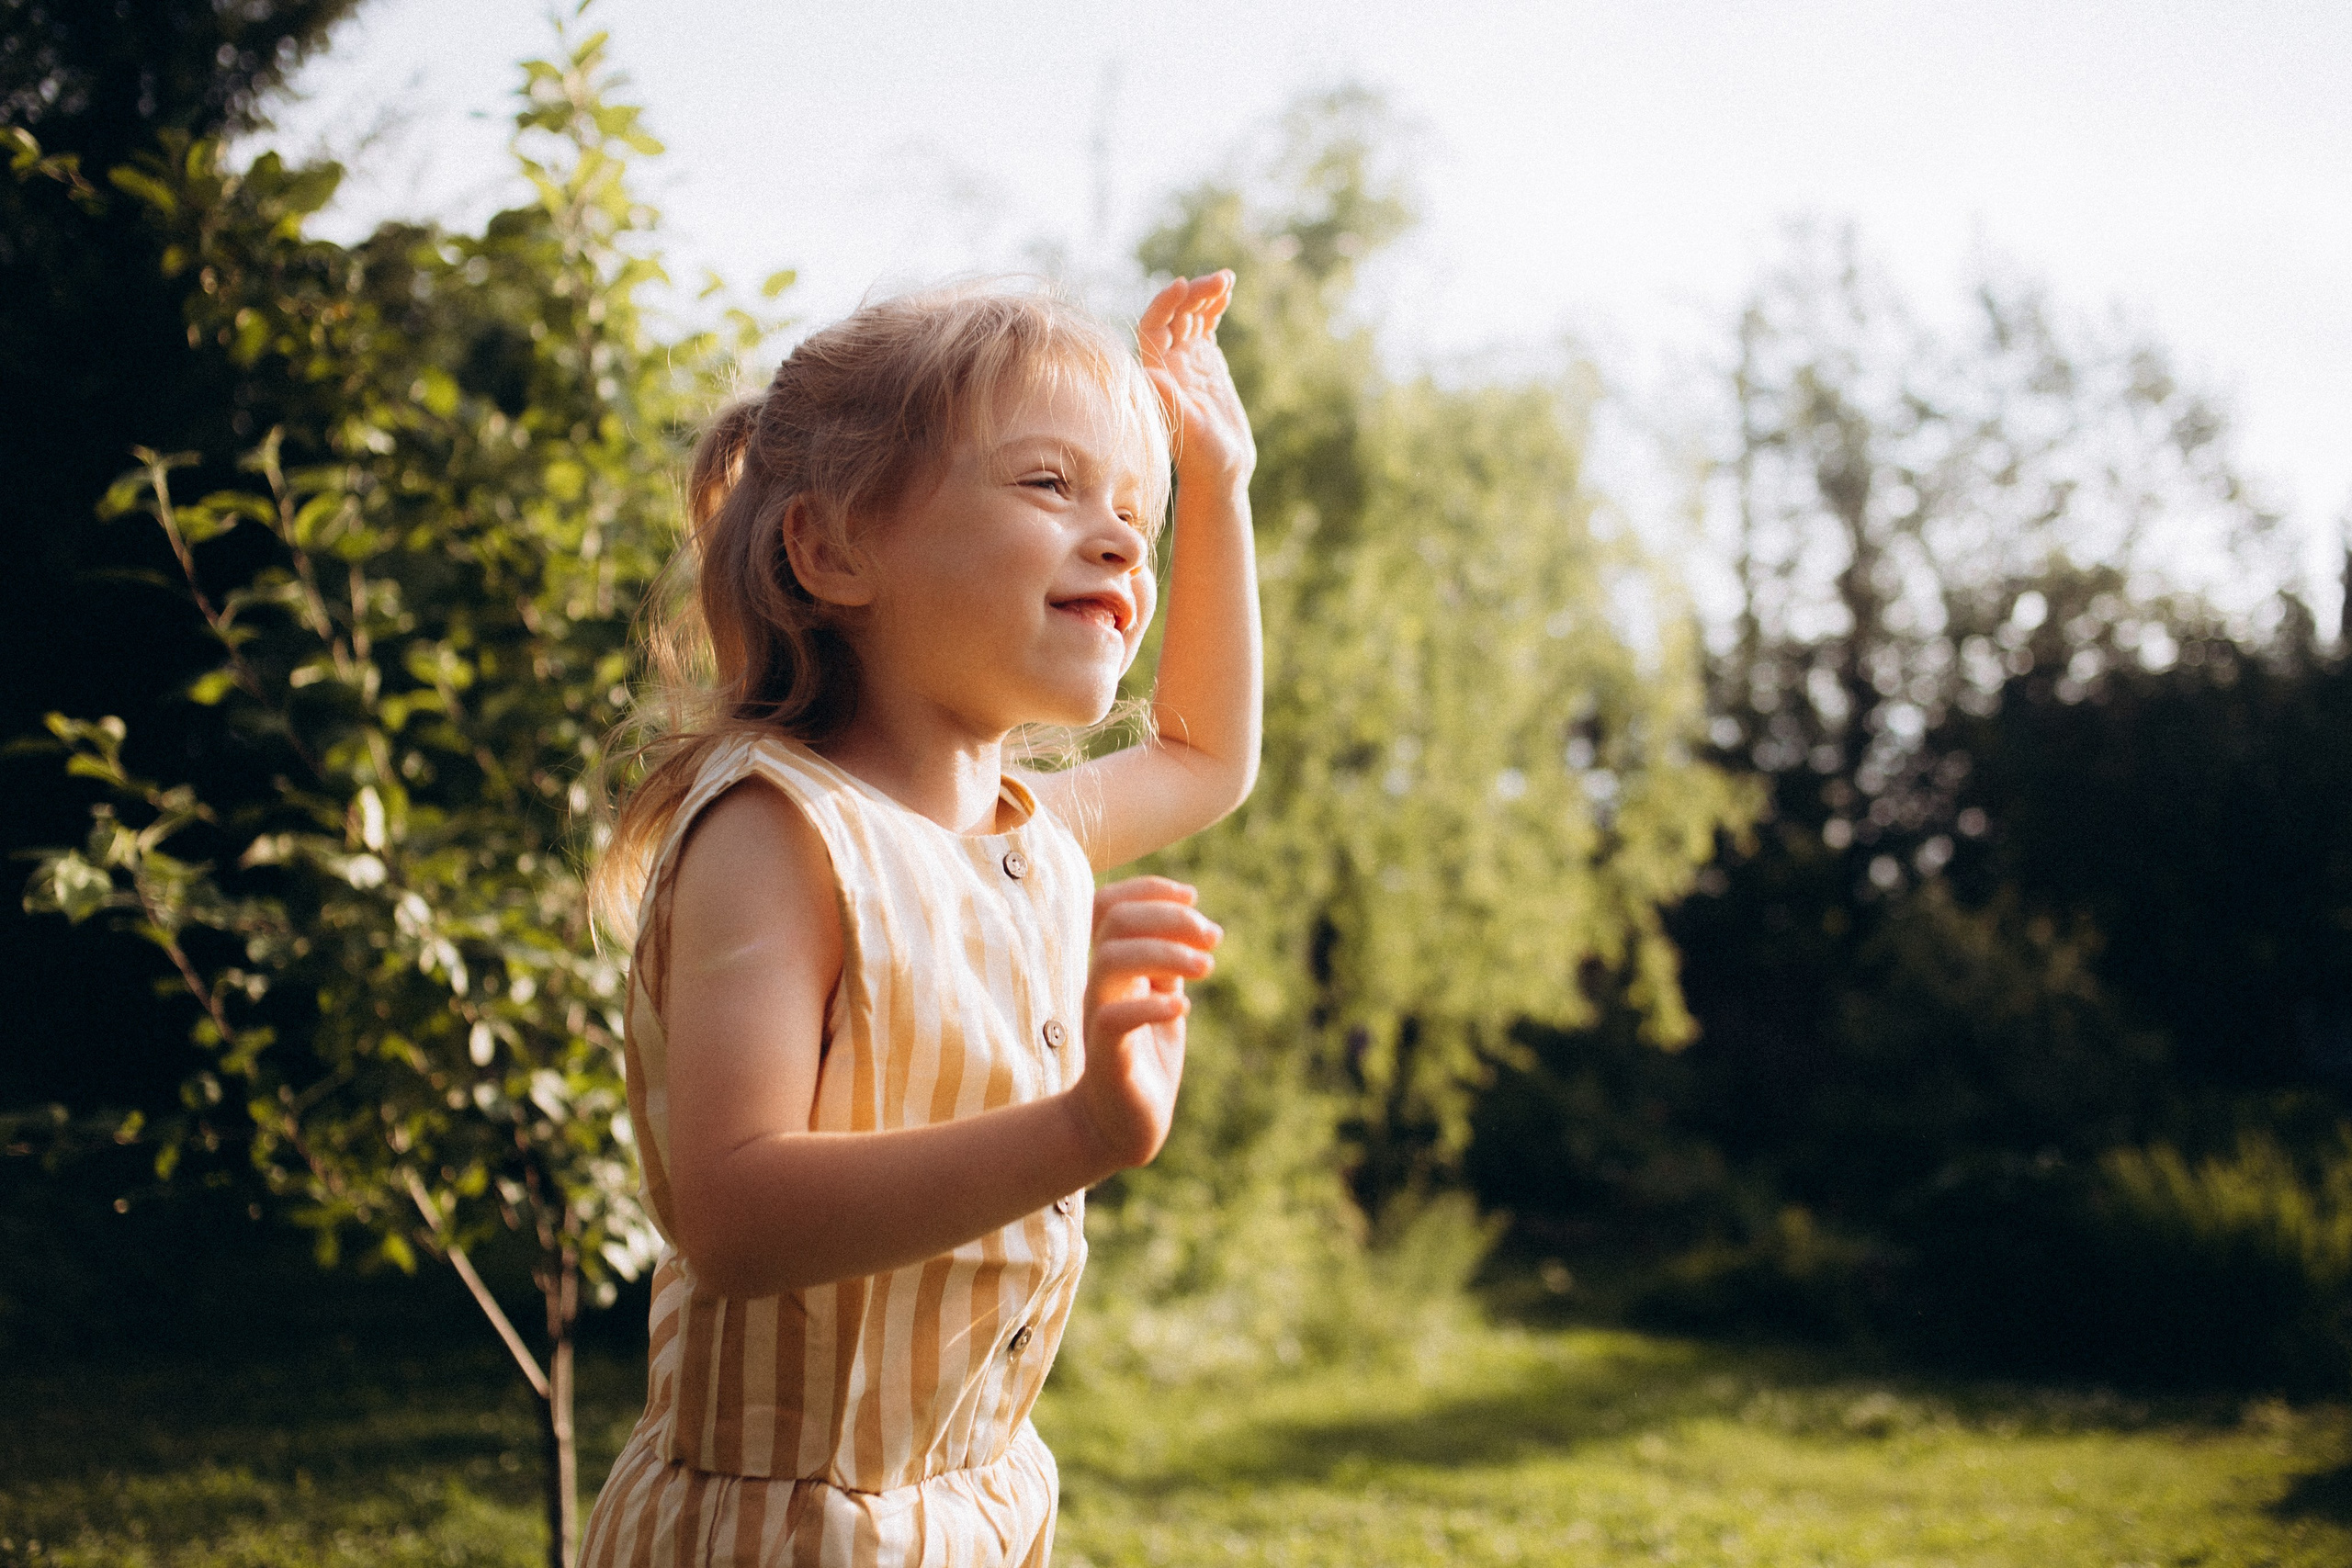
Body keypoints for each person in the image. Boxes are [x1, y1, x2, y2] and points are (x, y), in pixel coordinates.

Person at [578, 270, 1260, 1567]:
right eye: (1050, 485)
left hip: (977, 1512)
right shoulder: (778, 833)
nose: (1122, 540)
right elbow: (734, 1217)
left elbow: (1208, 752)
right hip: (782, 1533)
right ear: (832, 551)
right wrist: (1083, 1130)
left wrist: (1218, 487)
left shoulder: (1024, 836)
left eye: (1137, 512)